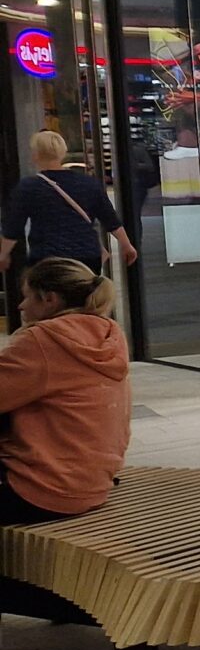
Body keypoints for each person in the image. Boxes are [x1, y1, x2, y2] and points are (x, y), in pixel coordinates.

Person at [0, 258, 131, 524]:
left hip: (41, 492)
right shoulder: (109, 332)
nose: (20, 306)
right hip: (91, 483)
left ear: (49, 299)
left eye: (27, 297)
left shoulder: (43, 339)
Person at [4, 131, 139, 277]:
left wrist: (3, 254)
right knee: (83, 297)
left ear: (35, 155)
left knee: (45, 298)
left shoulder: (28, 187)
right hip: (87, 257)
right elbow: (110, 219)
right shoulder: (88, 183)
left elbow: (13, 227)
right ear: (62, 153)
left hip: (48, 258)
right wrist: (126, 245)